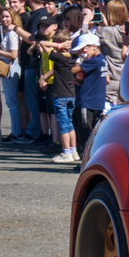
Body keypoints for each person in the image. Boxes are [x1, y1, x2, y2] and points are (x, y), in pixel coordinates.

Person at [40, 29, 79, 163]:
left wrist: (57, 46)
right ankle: (74, 151)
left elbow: (42, 43)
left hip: (60, 95)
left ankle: (66, 152)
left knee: (62, 125)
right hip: (71, 94)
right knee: (69, 124)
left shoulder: (57, 57)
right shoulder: (71, 58)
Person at [0, 9, 22, 140]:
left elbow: (14, 55)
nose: (4, 19)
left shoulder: (12, 34)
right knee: (11, 101)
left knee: (11, 102)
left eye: (7, 17)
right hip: (9, 68)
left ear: (14, 18)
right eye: (3, 17)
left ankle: (15, 132)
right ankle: (16, 131)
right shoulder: (8, 32)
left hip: (11, 69)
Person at [72, 33, 108, 152]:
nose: (83, 52)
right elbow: (107, 80)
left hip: (86, 101)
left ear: (94, 46)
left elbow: (73, 70)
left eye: (84, 49)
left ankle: (85, 157)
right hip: (98, 101)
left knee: (84, 131)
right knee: (92, 131)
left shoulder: (93, 61)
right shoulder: (103, 59)